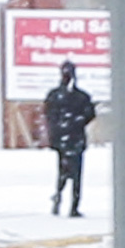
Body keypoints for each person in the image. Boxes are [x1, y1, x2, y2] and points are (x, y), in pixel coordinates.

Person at [41, 60, 96, 215]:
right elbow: (89, 115)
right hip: (75, 138)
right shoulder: (81, 97)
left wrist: (58, 131)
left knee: (63, 170)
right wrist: (76, 124)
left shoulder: (54, 96)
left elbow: (49, 115)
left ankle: (59, 196)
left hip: (62, 139)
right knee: (76, 173)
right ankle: (73, 205)